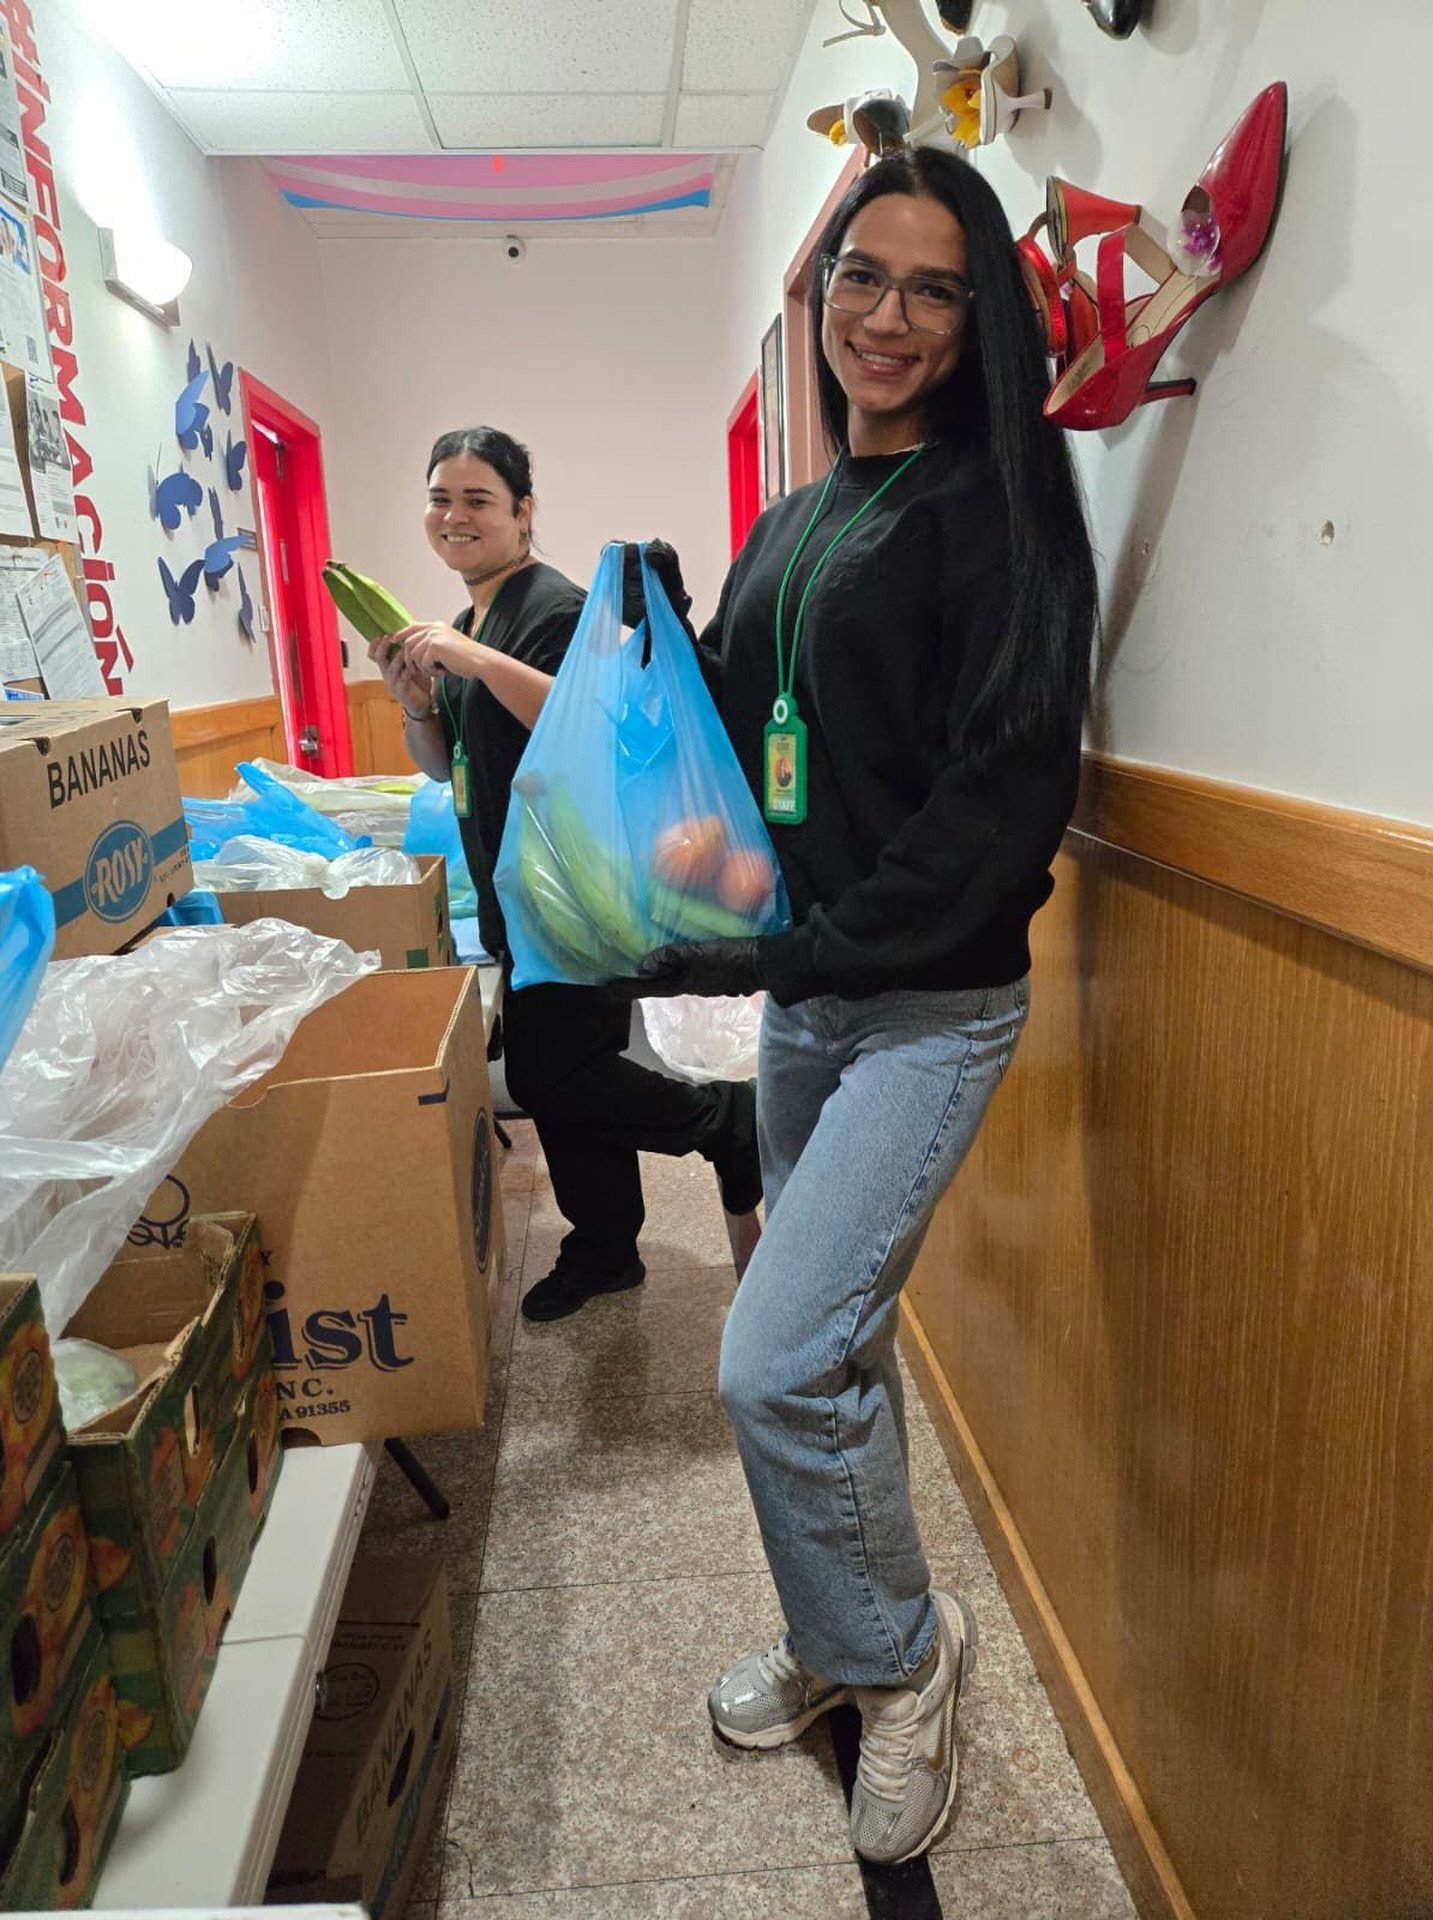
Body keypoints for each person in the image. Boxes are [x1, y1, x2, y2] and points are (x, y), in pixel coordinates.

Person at [615, 149, 1098, 1864]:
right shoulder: (799, 516)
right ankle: (848, 1637)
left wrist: (773, 961)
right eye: (857, 278)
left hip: (926, 1010)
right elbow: (747, 753)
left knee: (770, 1362)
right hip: (817, 1001)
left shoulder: (1008, 510)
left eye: (929, 286)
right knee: (841, 1351)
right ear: (817, 296)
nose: (884, 317)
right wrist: (651, 633)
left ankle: (899, 1659)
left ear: (980, 320)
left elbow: (997, 817)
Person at [368, 426, 762, 1323]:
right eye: (441, 497)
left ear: (523, 512)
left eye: (478, 499)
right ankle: (605, 1246)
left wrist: (468, 661)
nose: (455, 516)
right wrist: (419, 703)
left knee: (550, 1075)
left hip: (573, 887)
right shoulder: (470, 620)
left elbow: (589, 720)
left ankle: (724, 1124)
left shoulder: (552, 607)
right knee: (570, 1065)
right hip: (521, 885)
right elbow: (445, 764)